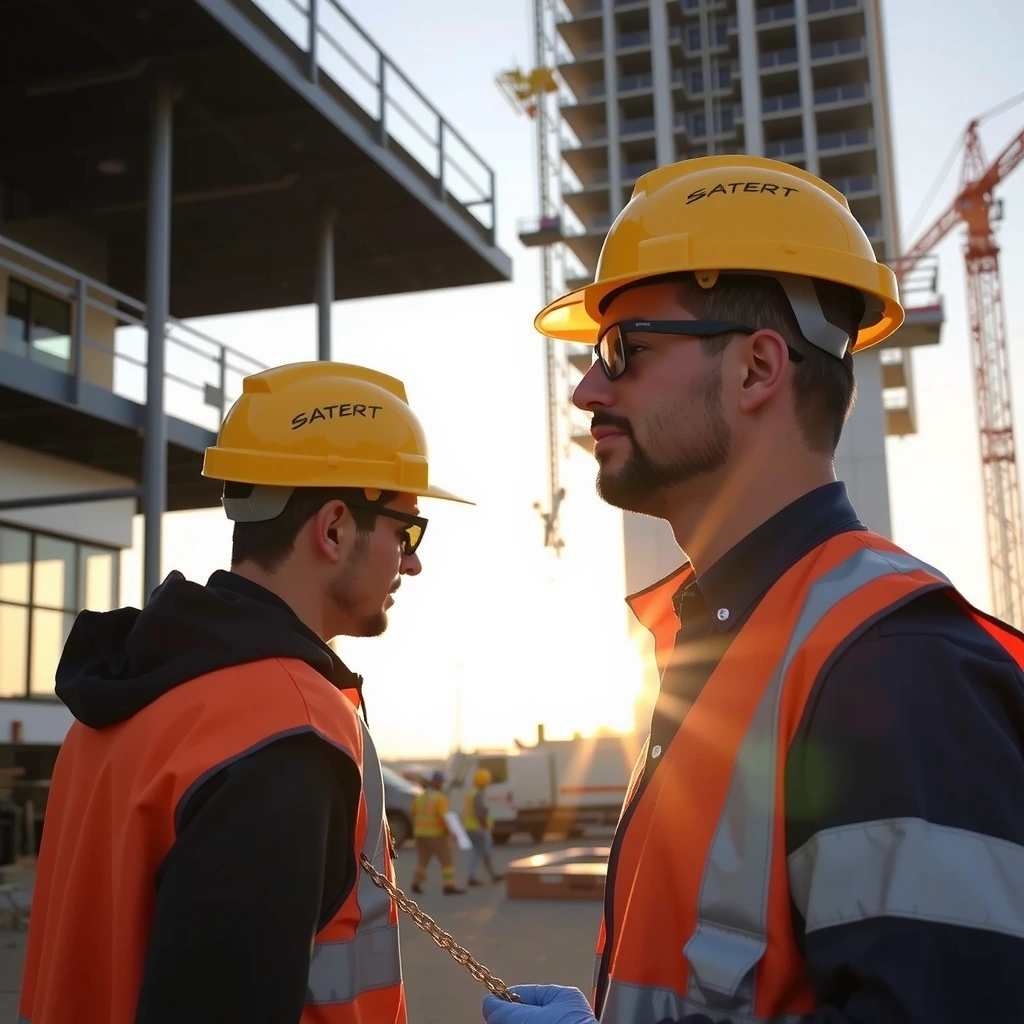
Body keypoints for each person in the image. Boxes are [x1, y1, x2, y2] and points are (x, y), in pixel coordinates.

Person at [482, 155, 1024, 1024]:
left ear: (757, 369)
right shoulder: (730, 645)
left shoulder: (895, 666)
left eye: (623, 350)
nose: (586, 390)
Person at [18, 361, 471, 1024]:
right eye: (406, 531)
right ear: (334, 528)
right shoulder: (287, 730)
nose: (413, 561)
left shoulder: (126, 699)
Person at [411, 770, 465, 894]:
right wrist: (452, 832)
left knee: (422, 861)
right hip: (436, 834)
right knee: (447, 860)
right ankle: (449, 886)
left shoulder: (420, 796)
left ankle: (416, 883)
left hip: (420, 834)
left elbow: (413, 811)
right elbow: (444, 817)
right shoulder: (440, 798)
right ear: (440, 783)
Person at [463, 767, 505, 886]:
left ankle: (489, 874)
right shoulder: (478, 794)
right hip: (478, 827)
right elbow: (480, 812)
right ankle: (479, 876)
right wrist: (484, 826)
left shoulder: (471, 792)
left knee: (478, 852)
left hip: (471, 827)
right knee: (484, 852)